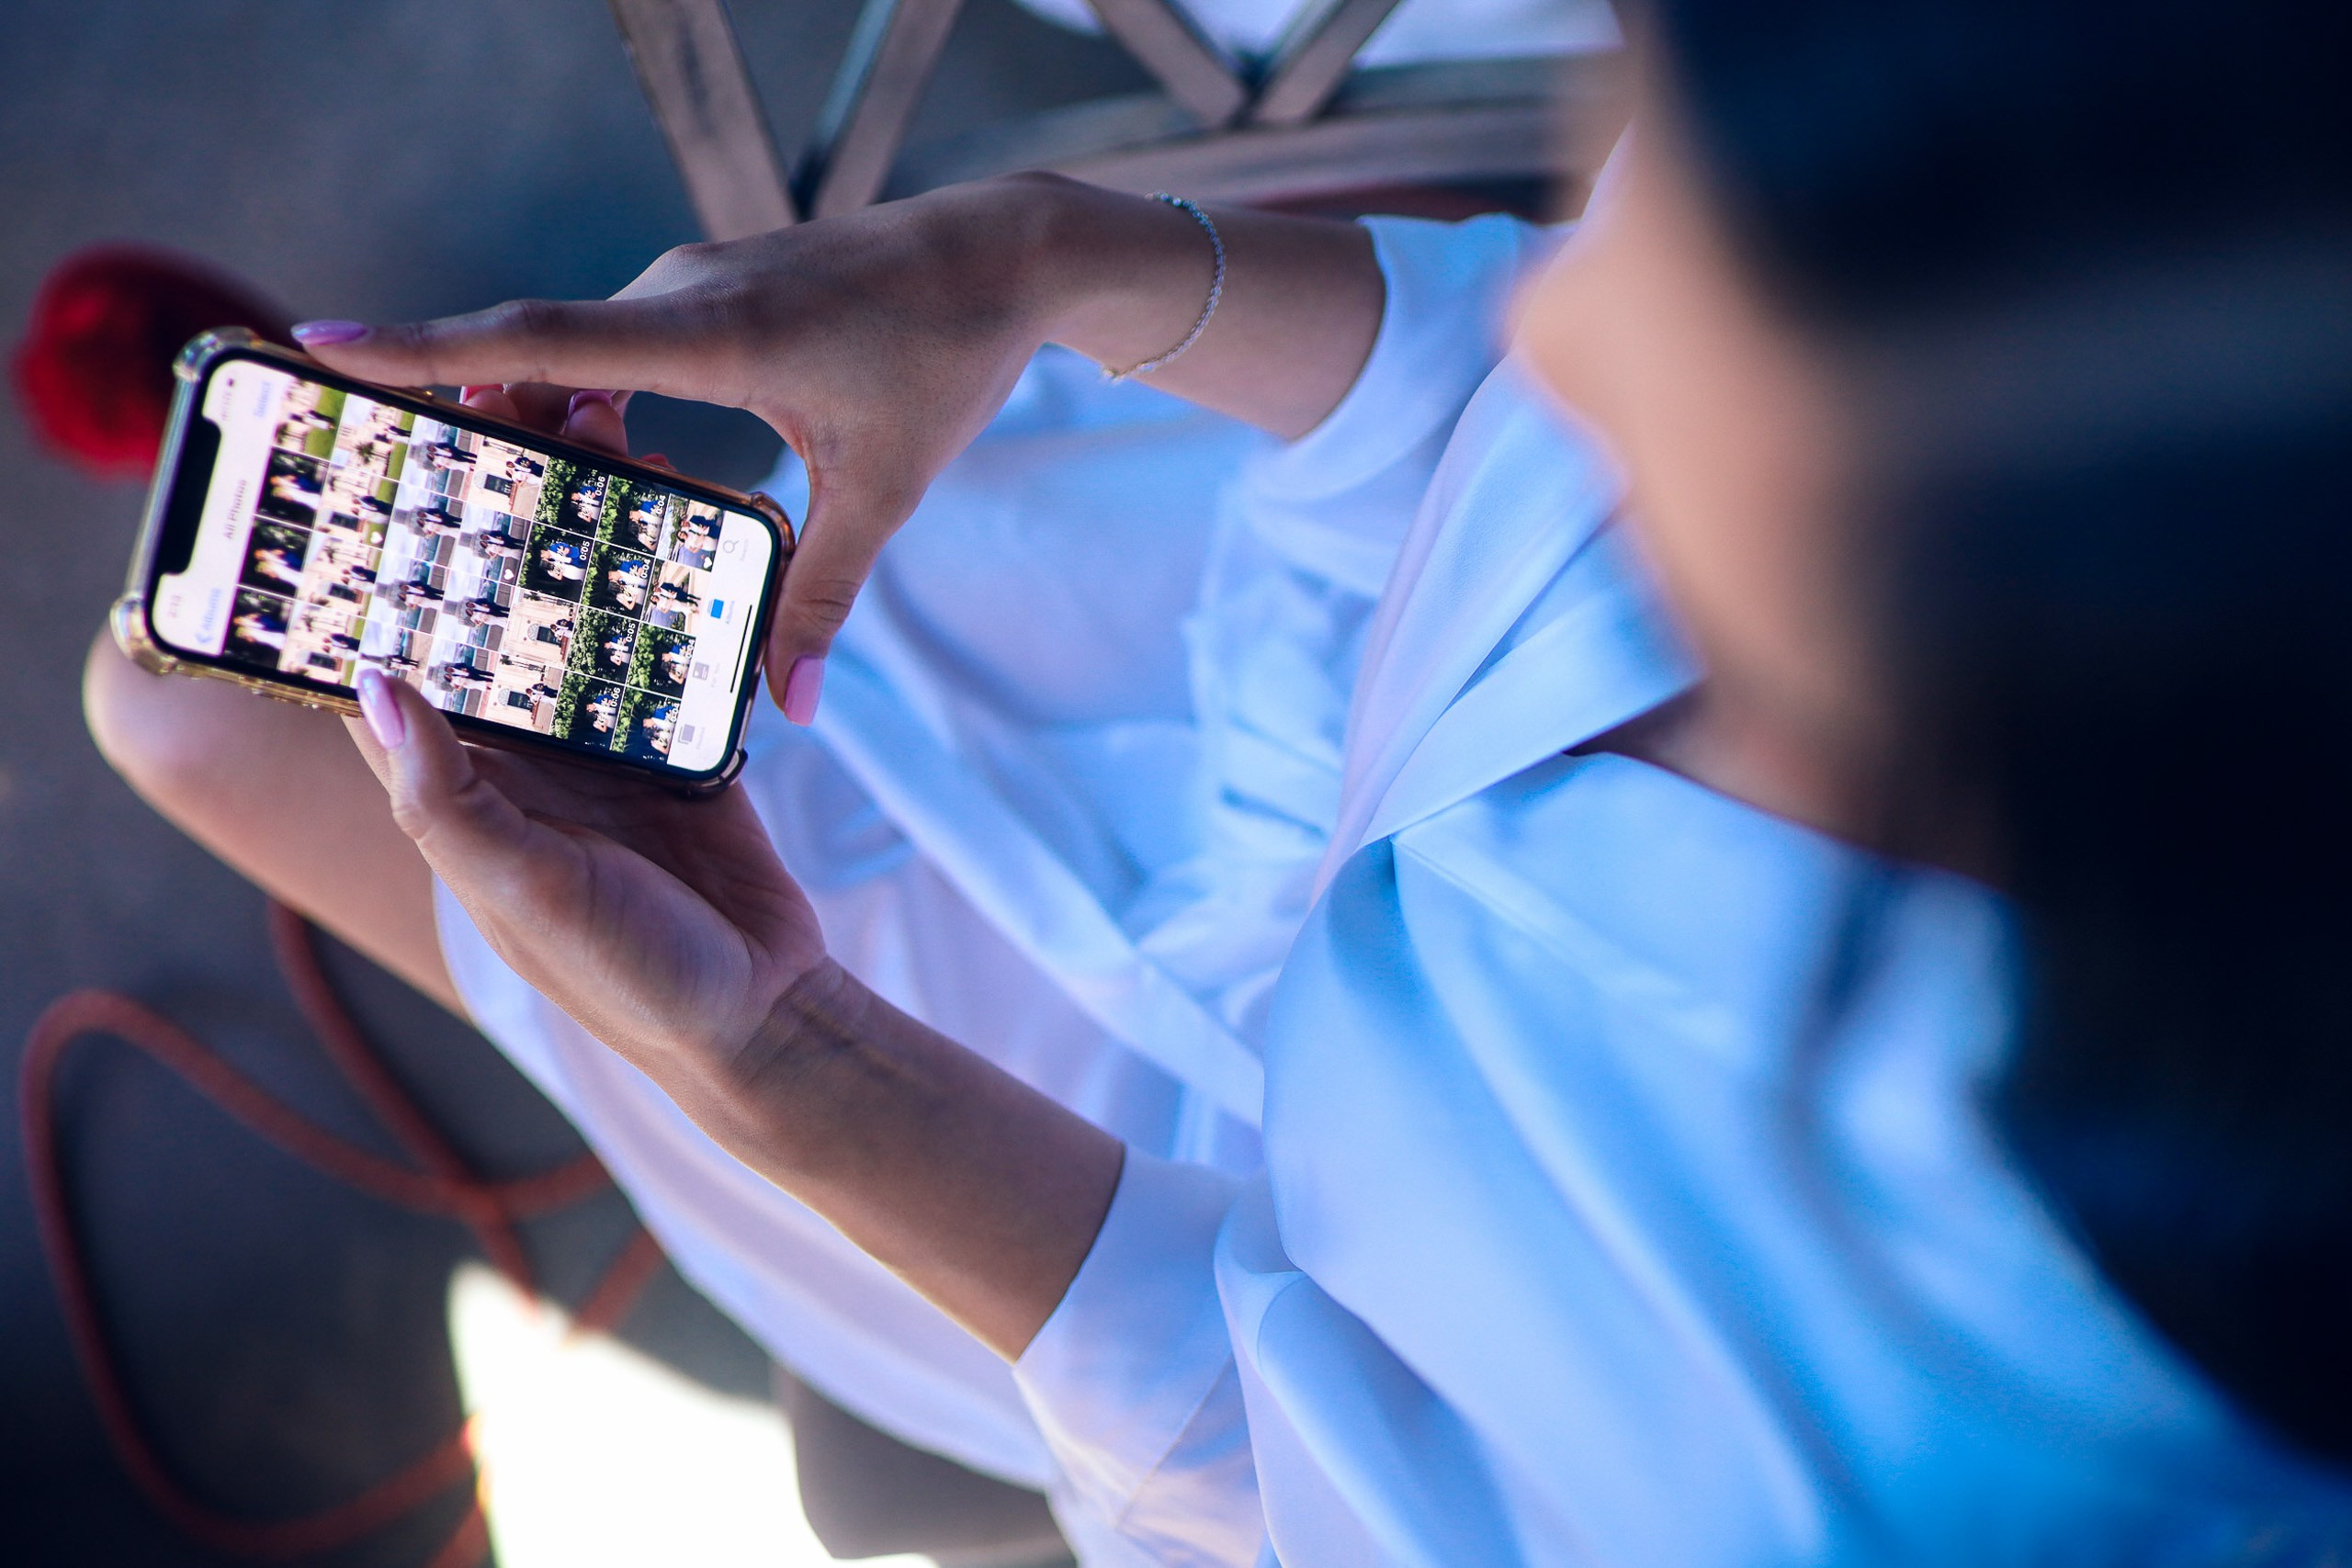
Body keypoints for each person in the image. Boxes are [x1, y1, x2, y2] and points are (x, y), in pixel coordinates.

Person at [83, 5, 2352, 1562]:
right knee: (309, 616)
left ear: (2007, 608)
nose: (1555, 310)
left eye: (1684, 269)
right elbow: (1481, 359)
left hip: (1052, 1150)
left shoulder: (1868, 1487)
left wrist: (788, 1058)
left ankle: (286, 463)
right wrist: (1047, 256)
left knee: (166, 707)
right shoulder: (2128, 336)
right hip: (1226, 588)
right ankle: (294, 457)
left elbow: (1250, 1459)